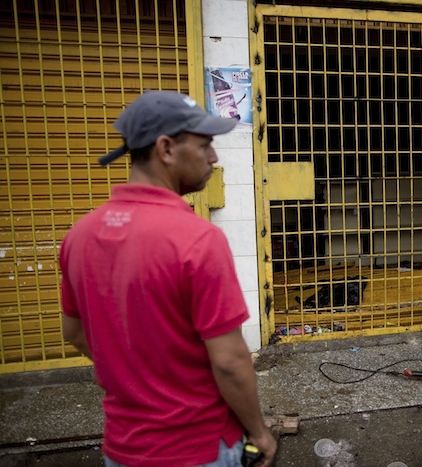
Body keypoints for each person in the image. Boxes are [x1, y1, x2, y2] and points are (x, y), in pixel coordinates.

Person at [60, 91, 277, 466]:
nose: (214, 157)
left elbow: (74, 332)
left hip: (122, 450)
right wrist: (259, 432)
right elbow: (229, 362)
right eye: (205, 144)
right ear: (165, 149)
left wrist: (135, 376)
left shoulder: (79, 235)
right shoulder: (197, 239)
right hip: (198, 449)